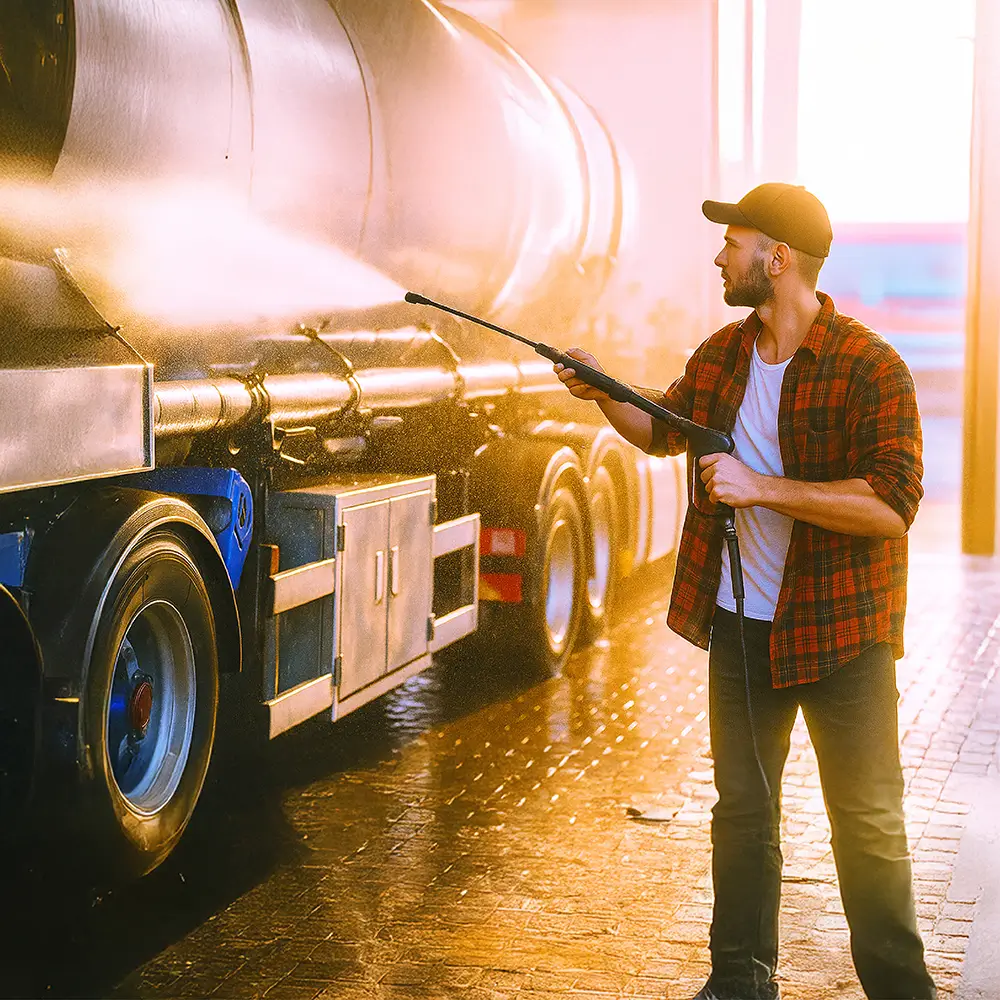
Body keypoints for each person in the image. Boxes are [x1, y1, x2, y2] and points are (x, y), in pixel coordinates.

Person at [554, 183, 936, 1000]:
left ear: (779, 258)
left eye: (734, 241)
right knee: (743, 815)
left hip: (843, 637)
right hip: (741, 630)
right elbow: (664, 429)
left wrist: (763, 487)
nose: (719, 254)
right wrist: (604, 389)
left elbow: (891, 506)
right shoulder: (725, 353)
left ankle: (903, 991)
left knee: (868, 830)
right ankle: (739, 982)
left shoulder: (871, 367)